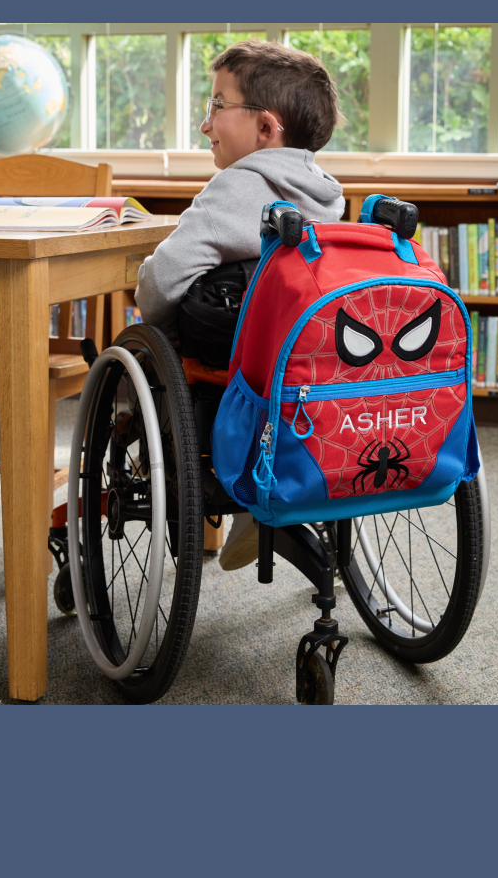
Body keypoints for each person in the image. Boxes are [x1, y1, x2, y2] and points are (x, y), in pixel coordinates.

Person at [135, 39, 346, 570]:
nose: (205, 123)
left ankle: (239, 485)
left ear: (266, 128)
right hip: (313, 366)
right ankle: (273, 487)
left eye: (217, 105)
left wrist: (153, 315)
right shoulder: (326, 193)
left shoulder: (234, 190)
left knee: (144, 346)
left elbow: (161, 281)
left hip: (241, 370)